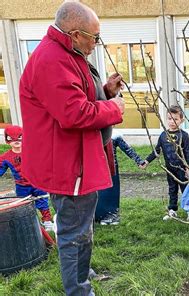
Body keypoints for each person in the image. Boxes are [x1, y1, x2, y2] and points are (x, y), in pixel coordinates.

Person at [19, 2, 125, 295]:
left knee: (82, 228)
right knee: (74, 234)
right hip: (68, 165)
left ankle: (82, 272)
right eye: (94, 37)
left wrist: (104, 92)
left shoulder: (67, 52)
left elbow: (79, 94)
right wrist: (114, 108)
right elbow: (74, 113)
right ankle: (79, 289)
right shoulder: (52, 59)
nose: (96, 43)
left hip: (78, 159)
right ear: (75, 33)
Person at [140, 105, 189, 220]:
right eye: (169, 118)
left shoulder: (184, 136)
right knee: (172, 189)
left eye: (175, 119)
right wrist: (147, 161)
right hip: (170, 169)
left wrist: (188, 167)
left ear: (181, 120)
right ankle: (172, 210)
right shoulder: (163, 135)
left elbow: (188, 152)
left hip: (182, 169)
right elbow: (157, 150)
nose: (172, 122)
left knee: (185, 189)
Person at [0, 125, 54, 231]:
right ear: (7, 140)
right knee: (23, 205)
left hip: (37, 183)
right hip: (22, 186)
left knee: (42, 202)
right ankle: (27, 225)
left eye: (19, 138)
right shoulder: (5, 158)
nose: (16, 141)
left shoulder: (33, 151)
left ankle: (47, 221)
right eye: (12, 139)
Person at [96, 130, 145, 225]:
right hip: (98, 170)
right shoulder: (94, 134)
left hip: (112, 170)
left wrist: (139, 161)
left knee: (112, 193)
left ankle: (112, 215)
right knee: (99, 194)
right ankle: (98, 216)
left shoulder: (115, 136)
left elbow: (127, 149)